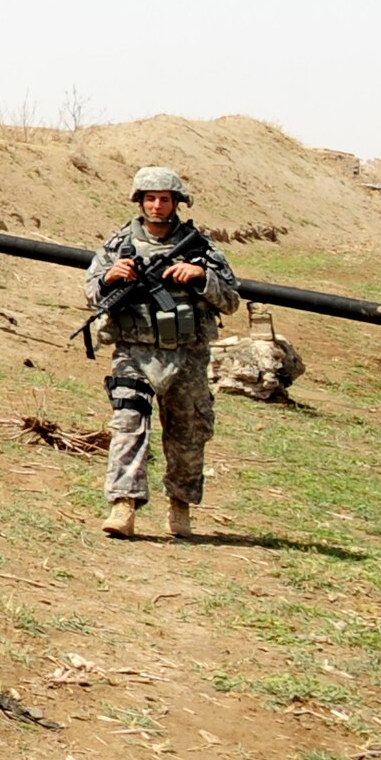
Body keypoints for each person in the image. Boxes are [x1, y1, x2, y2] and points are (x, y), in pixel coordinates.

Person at [84, 166, 240, 538]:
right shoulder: (118, 244)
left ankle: (180, 508)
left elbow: (232, 300)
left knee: (187, 434)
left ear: (176, 204)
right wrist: (110, 278)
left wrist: (202, 278)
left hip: (187, 355)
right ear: (140, 201)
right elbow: (90, 292)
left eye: (164, 199)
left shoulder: (200, 248)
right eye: (150, 198)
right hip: (134, 353)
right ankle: (123, 506)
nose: (157, 206)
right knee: (127, 426)